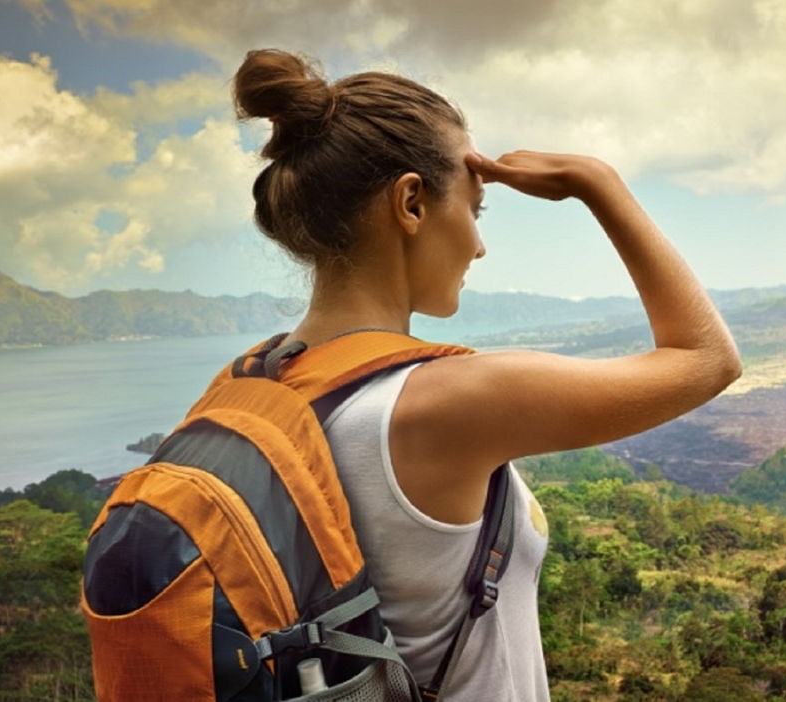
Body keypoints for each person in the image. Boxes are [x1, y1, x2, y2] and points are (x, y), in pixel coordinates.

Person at [231, 49, 742, 701]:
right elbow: (708, 359)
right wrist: (598, 183)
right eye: (476, 209)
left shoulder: (259, 385)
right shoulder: (441, 402)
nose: (479, 243)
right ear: (411, 203)